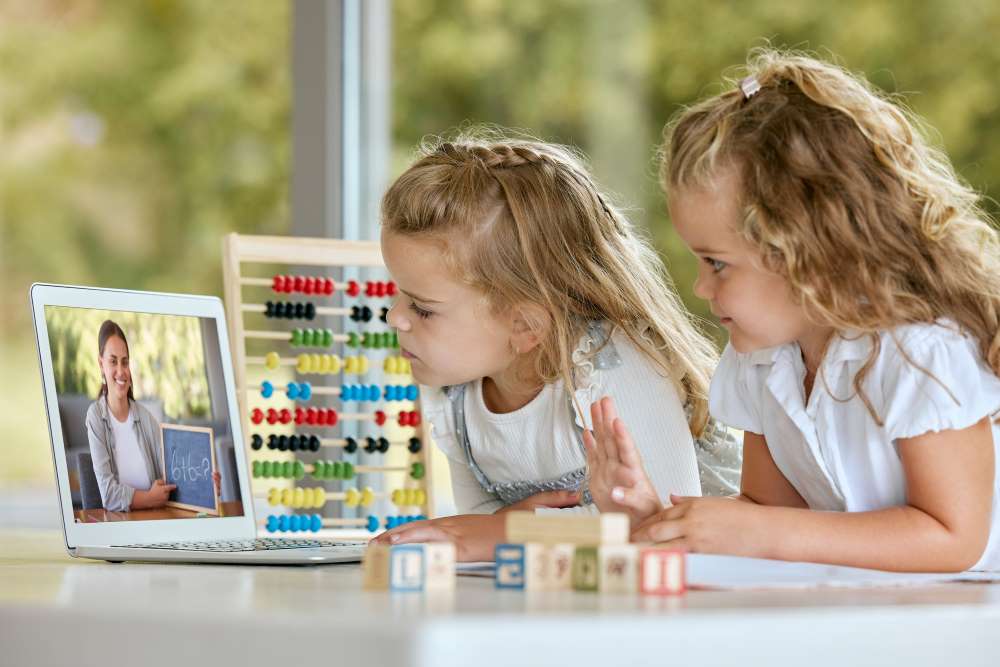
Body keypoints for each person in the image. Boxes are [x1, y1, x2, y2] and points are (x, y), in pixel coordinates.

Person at [587, 49, 1000, 572]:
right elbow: (773, 516)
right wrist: (654, 518)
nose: (699, 286)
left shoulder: (921, 351)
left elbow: (952, 538)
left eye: (717, 264)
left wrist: (761, 528)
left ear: (810, 252)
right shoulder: (762, 357)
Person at [372, 132, 741, 561]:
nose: (395, 317)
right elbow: (482, 523)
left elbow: (661, 521)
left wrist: (511, 529)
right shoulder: (454, 393)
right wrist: (509, 529)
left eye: (422, 308)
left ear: (525, 326)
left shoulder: (605, 365)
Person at [85, 319, 219, 512]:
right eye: (113, 361)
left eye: (125, 362)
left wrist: (207, 486)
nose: (121, 371)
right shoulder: (95, 416)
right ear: (101, 363)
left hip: (155, 520)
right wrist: (149, 498)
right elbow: (109, 496)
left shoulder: (145, 417)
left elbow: (173, 476)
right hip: (120, 527)